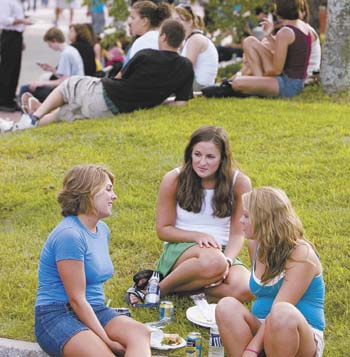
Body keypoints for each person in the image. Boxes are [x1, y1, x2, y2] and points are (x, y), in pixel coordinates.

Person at [126, 126, 253, 305]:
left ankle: (177, 287)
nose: (202, 162)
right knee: (214, 261)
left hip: (222, 251)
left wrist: (228, 260)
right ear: (190, 154)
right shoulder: (174, 179)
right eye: (197, 154)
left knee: (246, 289)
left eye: (210, 157)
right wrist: (197, 236)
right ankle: (154, 292)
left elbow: (238, 233)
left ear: (223, 158)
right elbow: (163, 230)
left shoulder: (239, 182)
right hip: (181, 248)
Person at [35, 164, 151, 356]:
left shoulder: (102, 229)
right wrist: (107, 341)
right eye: (108, 189)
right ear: (88, 193)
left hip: (95, 308)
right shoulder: (69, 236)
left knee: (141, 333)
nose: (114, 196)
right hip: (56, 315)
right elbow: (76, 299)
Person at [2, 20, 193, 131]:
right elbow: (181, 103)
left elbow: (119, 78)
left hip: (108, 94)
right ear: (181, 42)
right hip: (116, 111)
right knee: (64, 113)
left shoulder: (146, 55)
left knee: (71, 84)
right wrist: (158, 100)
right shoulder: (186, 68)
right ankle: (26, 125)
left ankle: (35, 115)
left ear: (163, 37)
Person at [216, 187, 325, 357]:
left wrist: (252, 349)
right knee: (226, 306)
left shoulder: (302, 255)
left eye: (246, 216)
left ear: (264, 219)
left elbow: (278, 310)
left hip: (297, 335)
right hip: (263, 328)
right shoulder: (256, 245)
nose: (240, 220)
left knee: (281, 312)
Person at [204, 0, 312, 99]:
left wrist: (257, 77)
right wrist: (269, 35)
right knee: (250, 41)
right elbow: (287, 51)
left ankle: (257, 88)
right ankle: (257, 86)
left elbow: (276, 70)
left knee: (237, 82)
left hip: (288, 84)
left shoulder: (285, 33)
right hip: (293, 81)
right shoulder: (303, 26)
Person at [19, 27, 84, 104]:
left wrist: (43, 83)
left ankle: (27, 114)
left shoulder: (65, 54)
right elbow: (67, 77)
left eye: (50, 44)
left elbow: (64, 81)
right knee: (35, 87)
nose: (50, 47)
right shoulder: (71, 49)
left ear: (54, 40)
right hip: (75, 88)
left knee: (25, 89)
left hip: (69, 92)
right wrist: (51, 70)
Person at [174, 5, 218, 91]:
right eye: (175, 20)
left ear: (190, 22)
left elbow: (186, 69)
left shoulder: (195, 39)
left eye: (179, 20)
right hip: (198, 84)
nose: (175, 23)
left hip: (198, 87)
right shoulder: (191, 39)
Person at [0, 0, 32, 112]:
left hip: (16, 35)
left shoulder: (19, 2)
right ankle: (4, 100)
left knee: (15, 69)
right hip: (9, 36)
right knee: (7, 69)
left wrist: (21, 38)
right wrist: (22, 20)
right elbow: (4, 20)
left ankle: (10, 97)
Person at [122, 0, 171, 69]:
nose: (130, 22)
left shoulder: (142, 42)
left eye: (133, 18)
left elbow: (128, 74)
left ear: (145, 21)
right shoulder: (162, 38)